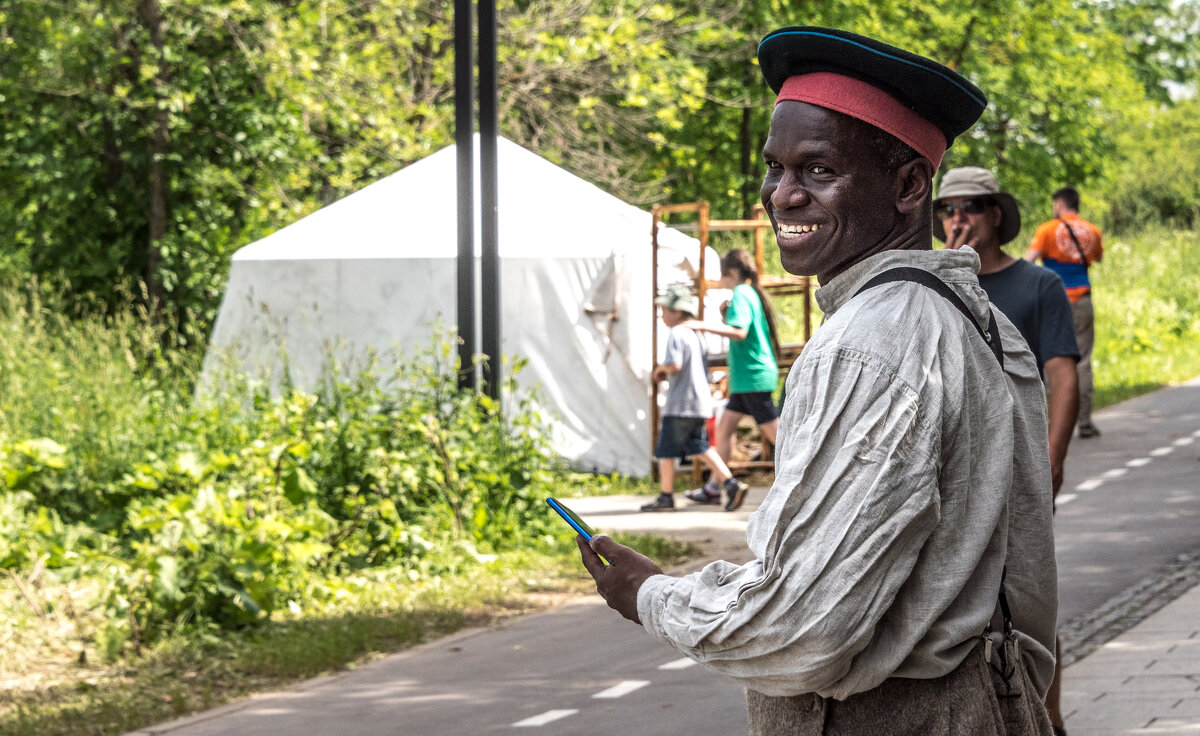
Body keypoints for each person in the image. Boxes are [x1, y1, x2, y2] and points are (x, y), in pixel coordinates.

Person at [576, 26, 1058, 736]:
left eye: (819, 170)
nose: (782, 195)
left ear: (907, 185)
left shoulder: (872, 343)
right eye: (776, 167)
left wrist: (651, 594)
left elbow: (806, 630)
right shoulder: (977, 319)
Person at [935, 166, 1080, 736]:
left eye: (970, 206)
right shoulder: (935, 285)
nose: (957, 219)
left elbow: (1062, 376)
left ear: (997, 213)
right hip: (954, 470)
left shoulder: (1037, 285)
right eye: (947, 210)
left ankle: (1049, 715)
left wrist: (1052, 460)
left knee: (1026, 597)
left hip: (1019, 466)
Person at [680, 249, 780, 511]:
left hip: (752, 377)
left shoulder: (742, 293)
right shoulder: (748, 293)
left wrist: (701, 325)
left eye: (721, 276)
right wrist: (725, 316)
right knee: (724, 430)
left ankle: (809, 474)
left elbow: (739, 331)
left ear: (731, 273)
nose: (720, 282)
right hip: (747, 378)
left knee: (778, 437)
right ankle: (716, 486)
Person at [642, 283, 750, 512]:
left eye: (665, 310)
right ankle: (731, 483)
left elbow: (675, 364)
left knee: (665, 451)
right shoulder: (697, 334)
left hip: (680, 403)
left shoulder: (677, 333)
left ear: (677, 311)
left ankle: (666, 495)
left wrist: (660, 369)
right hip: (700, 402)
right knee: (700, 446)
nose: (662, 315)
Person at [1025, 187, 1104, 439]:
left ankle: (1054, 425)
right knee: (1082, 361)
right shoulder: (1092, 230)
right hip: (1082, 299)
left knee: (1052, 359)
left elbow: (1029, 261)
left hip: (1053, 300)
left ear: (1059, 204)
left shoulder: (1047, 230)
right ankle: (1085, 423)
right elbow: (1098, 258)